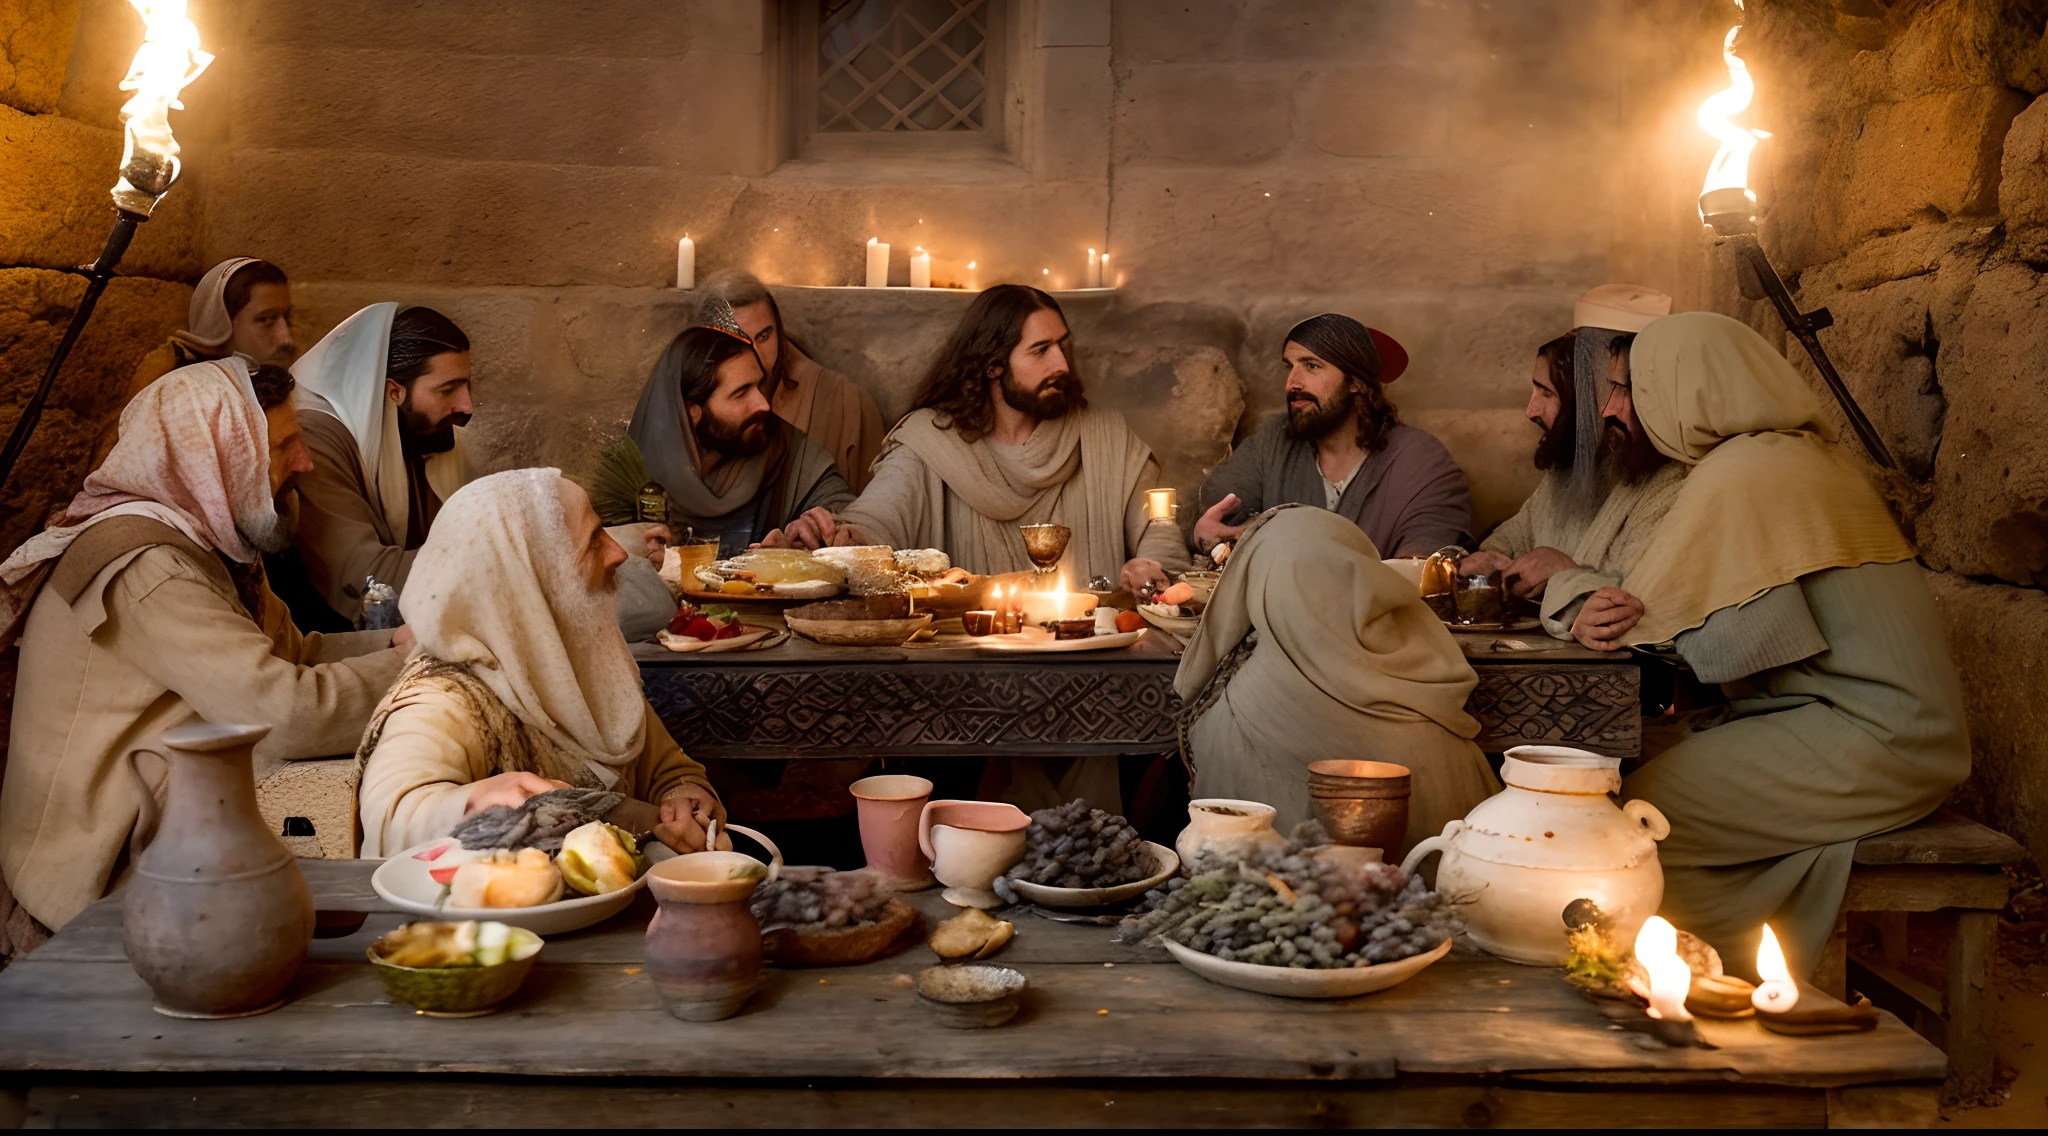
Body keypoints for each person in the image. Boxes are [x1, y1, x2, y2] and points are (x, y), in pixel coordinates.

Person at [1602, 312, 1968, 978]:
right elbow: (1752, 637)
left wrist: (1568, 592)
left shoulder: (1746, 472)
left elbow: (1639, 624)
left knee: (1639, 820)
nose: (1611, 406)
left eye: (1631, 386)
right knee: (1654, 777)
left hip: (1875, 739)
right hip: (1901, 733)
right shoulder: (1794, 455)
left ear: (1686, 387)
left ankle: (1706, 969)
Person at [0, 359, 410, 944]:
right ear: (219, 457)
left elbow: (292, 655)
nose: (306, 463)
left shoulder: (206, 541)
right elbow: (287, 715)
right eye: (286, 445)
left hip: (173, 827)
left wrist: (396, 641)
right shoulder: (147, 565)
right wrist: (414, 665)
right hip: (105, 872)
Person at [355, 468, 725, 857]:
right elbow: (391, 815)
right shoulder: (445, 697)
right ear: (534, 579)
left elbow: (666, 765)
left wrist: (685, 794)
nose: (618, 553)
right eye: (594, 541)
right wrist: (474, 801)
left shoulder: (583, 659)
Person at [773, 284, 1189, 596]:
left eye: (1063, 346)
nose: (1062, 363)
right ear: (992, 366)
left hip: (1090, 649)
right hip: (965, 664)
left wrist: (1149, 563)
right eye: (1040, 350)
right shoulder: (928, 441)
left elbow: (1158, 520)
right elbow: (878, 517)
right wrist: (834, 539)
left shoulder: (1107, 437)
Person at [290, 303, 673, 637]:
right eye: (448, 390)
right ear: (394, 393)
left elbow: (465, 542)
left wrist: (590, 543)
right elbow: (371, 581)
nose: (466, 406)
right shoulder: (319, 441)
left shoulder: (417, 435)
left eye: (467, 386)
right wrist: (570, 548)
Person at [1174, 506, 1498, 852]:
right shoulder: (1433, 681)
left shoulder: (1230, 709)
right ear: (1364, 575)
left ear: (1264, 588)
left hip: (1265, 900)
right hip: (1437, 897)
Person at [1462, 285, 1684, 639]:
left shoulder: (1671, 482)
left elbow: (1638, 608)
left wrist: (1563, 571)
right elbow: (1511, 541)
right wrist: (1487, 561)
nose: (1530, 410)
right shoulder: (1566, 472)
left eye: (1546, 392)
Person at [1194, 314, 1472, 559]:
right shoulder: (1272, 442)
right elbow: (1207, 516)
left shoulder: (1420, 461)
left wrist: (1264, 538)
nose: (1292, 383)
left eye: (1311, 366)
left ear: (1356, 382)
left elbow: (1424, 568)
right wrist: (1205, 534)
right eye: (1289, 366)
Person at [592, 301, 854, 557]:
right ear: (692, 412)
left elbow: (848, 516)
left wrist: (810, 536)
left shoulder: (788, 449)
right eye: (741, 394)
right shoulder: (631, 476)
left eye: (758, 386)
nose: (762, 404)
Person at [93, 257, 297, 465]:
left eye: (286, 319)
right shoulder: (173, 384)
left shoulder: (274, 384)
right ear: (220, 323)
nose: (285, 338)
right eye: (266, 320)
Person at [700, 269, 886, 491]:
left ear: (778, 329)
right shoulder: (689, 404)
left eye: (764, 336)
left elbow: (873, 507)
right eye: (738, 342)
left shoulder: (845, 403)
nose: (757, 354)